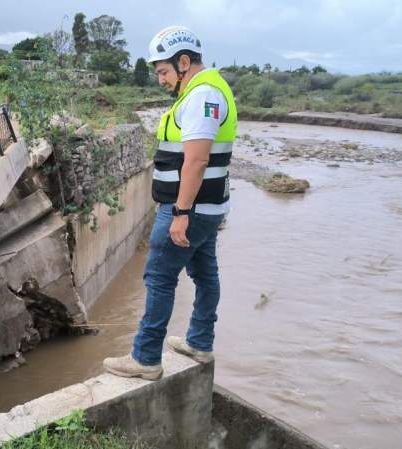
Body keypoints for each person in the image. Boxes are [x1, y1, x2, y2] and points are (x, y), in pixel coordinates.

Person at [103, 26, 238, 380]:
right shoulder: (209, 90)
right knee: (205, 274)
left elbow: (195, 161)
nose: (161, 80)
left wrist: (179, 213)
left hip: (189, 209)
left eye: (163, 71)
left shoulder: (200, 95)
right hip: (209, 208)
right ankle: (200, 342)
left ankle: (145, 358)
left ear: (183, 61)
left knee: (159, 277)